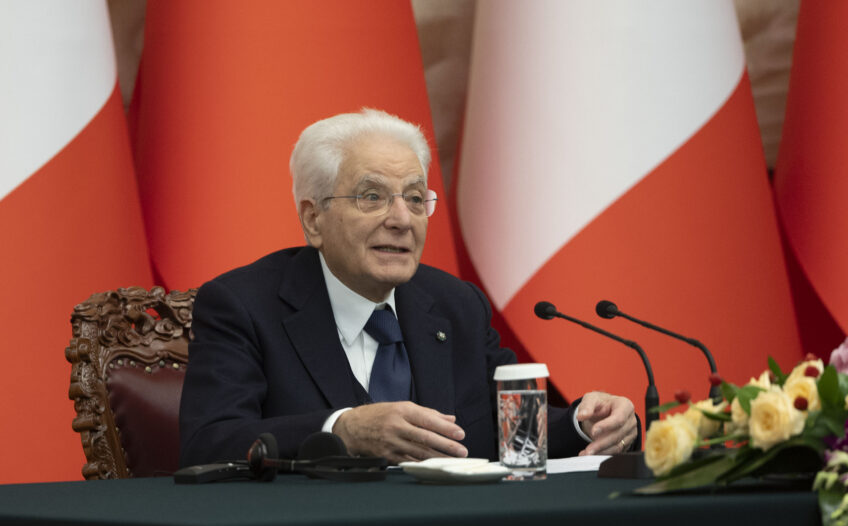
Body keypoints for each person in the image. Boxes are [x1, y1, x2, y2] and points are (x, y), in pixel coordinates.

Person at [178, 109, 638, 467]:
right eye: (372, 196)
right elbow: (209, 443)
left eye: (416, 198)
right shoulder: (243, 306)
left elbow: (510, 431)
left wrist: (584, 424)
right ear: (313, 218)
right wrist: (342, 432)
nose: (401, 219)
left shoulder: (456, 305)